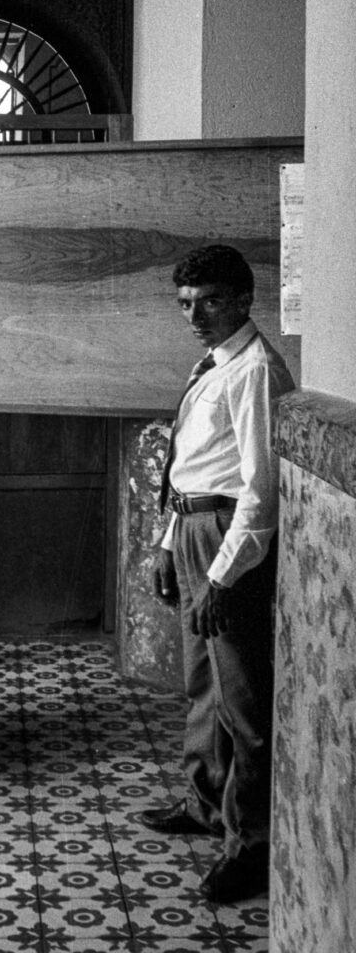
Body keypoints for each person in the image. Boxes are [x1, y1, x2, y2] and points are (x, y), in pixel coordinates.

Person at [143, 245, 294, 904]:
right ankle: (206, 802)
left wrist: (224, 577)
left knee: (243, 702)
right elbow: (192, 473)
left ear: (242, 300)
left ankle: (250, 846)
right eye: (185, 304)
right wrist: (166, 544)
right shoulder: (214, 364)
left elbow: (259, 493)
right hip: (193, 529)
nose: (194, 315)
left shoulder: (255, 370)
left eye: (208, 301)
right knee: (202, 684)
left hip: (229, 542)